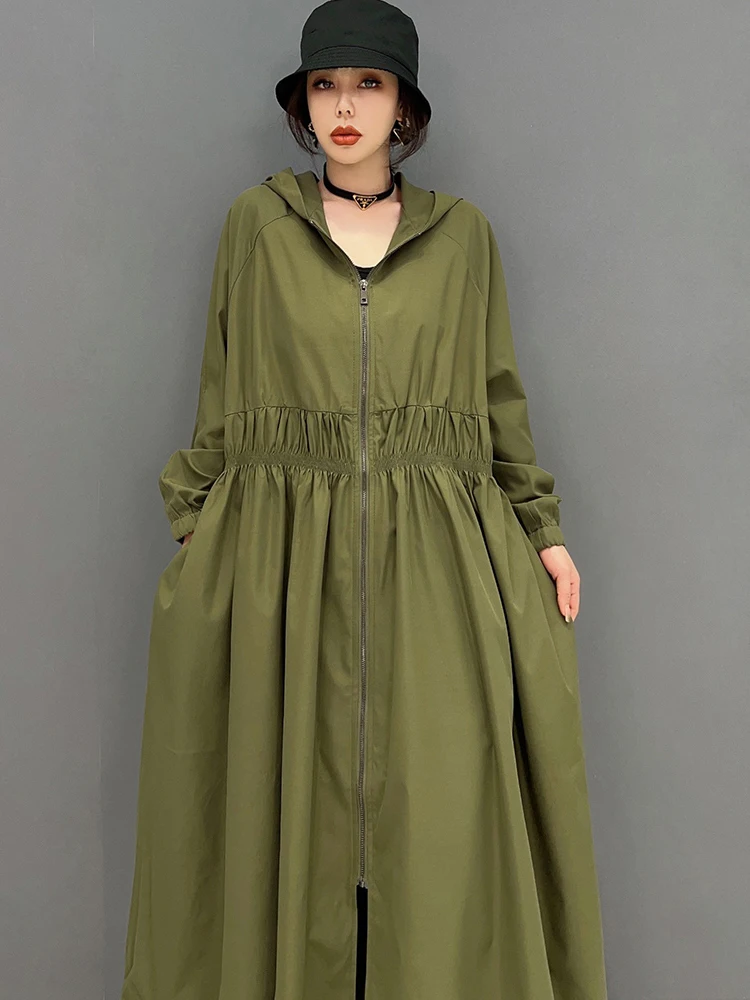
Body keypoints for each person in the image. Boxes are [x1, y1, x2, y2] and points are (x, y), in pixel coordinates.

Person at [120, 1, 608, 998]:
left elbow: (497, 403)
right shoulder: (257, 226)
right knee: (276, 827)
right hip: (282, 560)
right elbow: (221, 390)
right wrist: (197, 517)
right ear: (303, 105)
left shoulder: (464, 239)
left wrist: (542, 530)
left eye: (369, 84)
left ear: (405, 108)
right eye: (326, 85)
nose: (345, 107)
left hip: (439, 564)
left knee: (439, 834)